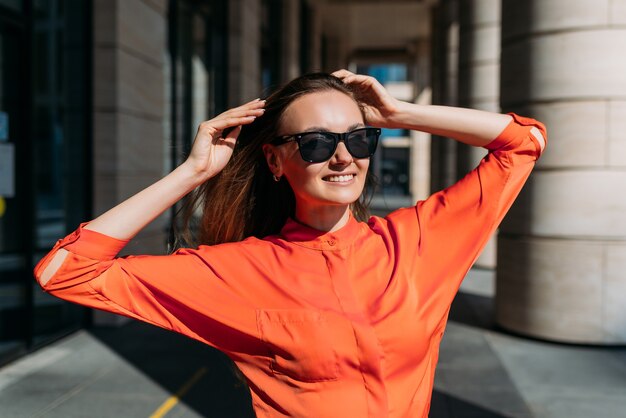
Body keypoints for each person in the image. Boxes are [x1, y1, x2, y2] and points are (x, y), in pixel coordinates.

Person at [34, 70, 546, 417]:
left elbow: (523, 143)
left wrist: (400, 114)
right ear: (276, 162)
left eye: (359, 138)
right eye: (317, 142)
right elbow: (65, 271)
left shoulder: (417, 242)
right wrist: (192, 172)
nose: (343, 157)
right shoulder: (237, 271)